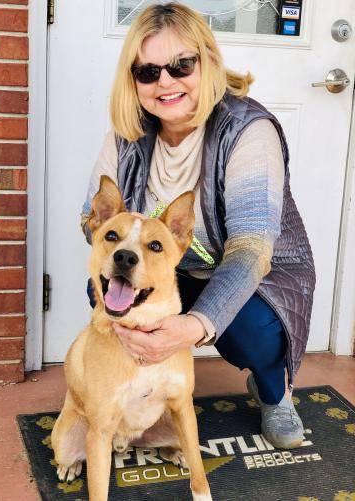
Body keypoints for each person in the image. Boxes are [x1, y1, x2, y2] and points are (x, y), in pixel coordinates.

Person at [81, 2, 315, 449]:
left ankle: (274, 389)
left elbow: (250, 250)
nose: (165, 82)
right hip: (169, 272)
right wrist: (118, 244)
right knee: (108, 290)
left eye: (180, 65)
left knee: (253, 331)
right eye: (147, 72)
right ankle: (141, 389)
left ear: (207, 61)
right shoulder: (126, 134)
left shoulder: (247, 129)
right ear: (133, 81)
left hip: (259, 275)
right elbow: (90, 222)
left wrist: (192, 326)